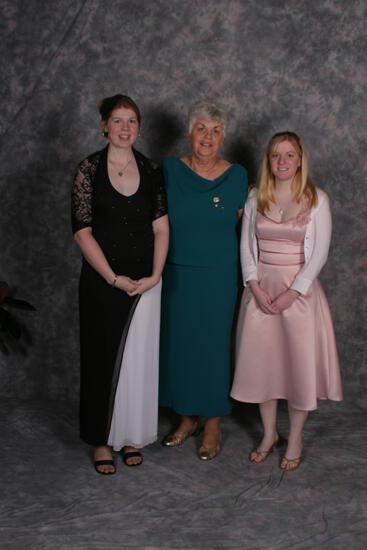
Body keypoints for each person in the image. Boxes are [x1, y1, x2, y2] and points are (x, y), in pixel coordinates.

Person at [231, 131, 343, 471]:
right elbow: (247, 249)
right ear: (269, 160)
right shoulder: (255, 198)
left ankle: (294, 436)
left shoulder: (317, 199)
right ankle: (268, 434)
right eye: (276, 155)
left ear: (300, 159)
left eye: (289, 155)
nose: (282, 161)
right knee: (263, 367)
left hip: (300, 299)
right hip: (261, 295)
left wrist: (292, 294)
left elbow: (319, 254)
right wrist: (254, 285)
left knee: (298, 371)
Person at [71, 94, 169, 474]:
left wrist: (155, 276)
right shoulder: (88, 170)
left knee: (139, 361)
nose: (125, 128)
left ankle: (131, 436)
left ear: (138, 128)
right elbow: (82, 233)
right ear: (104, 126)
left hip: (145, 281)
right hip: (102, 280)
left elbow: (161, 228)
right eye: (118, 120)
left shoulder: (151, 169)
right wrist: (112, 277)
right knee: (100, 358)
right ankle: (100, 439)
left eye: (132, 121)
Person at [159, 100, 248, 460]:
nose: (207, 137)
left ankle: (212, 422)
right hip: (177, 272)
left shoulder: (237, 176)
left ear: (223, 135)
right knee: (179, 345)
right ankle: (185, 418)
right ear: (188, 133)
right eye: (201, 129)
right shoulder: (168, 171)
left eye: (215, 130)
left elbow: (250, 229)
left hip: (219, 275)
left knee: (212, 347)